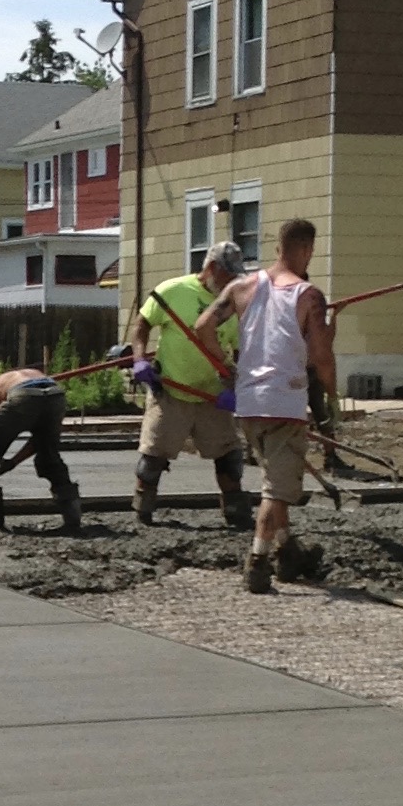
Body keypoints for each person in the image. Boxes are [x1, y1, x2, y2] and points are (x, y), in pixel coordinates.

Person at [191, 217, 336, 592]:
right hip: (285, 403)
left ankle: (288, 552)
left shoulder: (241, 287)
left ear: (277, 248)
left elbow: (203, 326)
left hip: (249, 402)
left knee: (276, 480)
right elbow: (321, 356)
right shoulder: (309, 295)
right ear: (306, 250)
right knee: (276, 491)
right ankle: (257, 561)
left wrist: (225, 367)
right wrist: (333, 397)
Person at [126, 238, 251, 526]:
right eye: (228, 275)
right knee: (152, 460)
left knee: (230, 459)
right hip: (171, 390)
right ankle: (143, 510)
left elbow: (240, 352)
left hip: (213, 396)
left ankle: (236, 513)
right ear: (211, 268)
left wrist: (238, 386)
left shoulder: (234, 304)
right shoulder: (173, 291)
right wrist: (139, 360)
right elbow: (142, 326)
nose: (233, 281)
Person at [0, 362, 81, 533]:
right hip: (55, 392)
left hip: (22, 393)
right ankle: (73, 519)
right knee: (49, 456)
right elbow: (38, 441)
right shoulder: (3, 381)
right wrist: (11, 463)